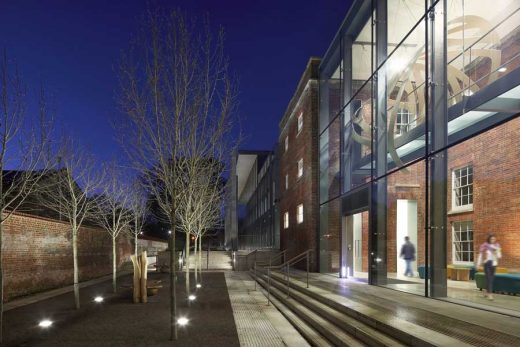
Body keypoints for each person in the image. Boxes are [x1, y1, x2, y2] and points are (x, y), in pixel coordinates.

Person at [477, 234, 502, 300]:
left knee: (491, 279)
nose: (493, 240)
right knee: (489, 279)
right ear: (489, 239)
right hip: (487, 263)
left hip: (494, 264)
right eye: (491, 239)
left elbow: (499, 256)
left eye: (494, 239)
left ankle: (485, 291)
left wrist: (496, 252)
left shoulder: (497, 246)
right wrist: (478, 264)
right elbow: (480, 255)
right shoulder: (484, 245)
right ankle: (490, 294)